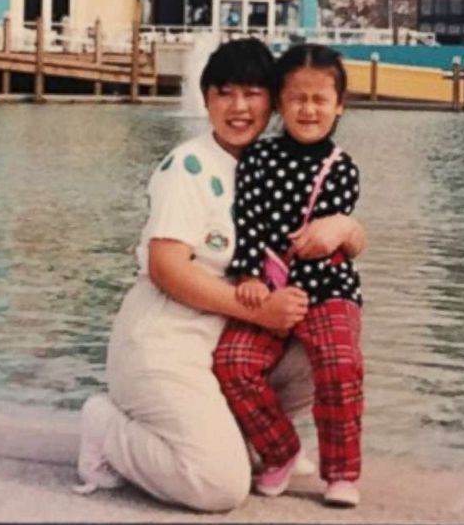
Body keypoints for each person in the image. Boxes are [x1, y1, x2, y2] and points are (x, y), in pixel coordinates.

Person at [76, 38, 365, 512]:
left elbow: (323, 239)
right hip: (168, 340)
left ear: (272, 99)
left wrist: (347, 228)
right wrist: (261, 310)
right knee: (218, 486)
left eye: (252, 93)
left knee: (334, 346)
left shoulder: (272, 163)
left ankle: (253, 443)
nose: (238, 107)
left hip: (226, 339)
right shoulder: (188, 167)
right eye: (224, 93)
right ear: (205, 98)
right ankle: (106, 429)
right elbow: (165, 268)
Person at [212, 44, 364, 508]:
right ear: (279, 101)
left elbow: (333, 238)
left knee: (340, 365)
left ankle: (341, 472)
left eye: (320, 100)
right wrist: (249, 275)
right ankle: (280, 450)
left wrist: (335, 240)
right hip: (269, 282)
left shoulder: (341, 168)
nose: (309, 109)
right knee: (233, 362)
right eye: (297, 98)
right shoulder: (257, 159)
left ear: (339, 105)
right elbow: (248, 221)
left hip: (326, 286)